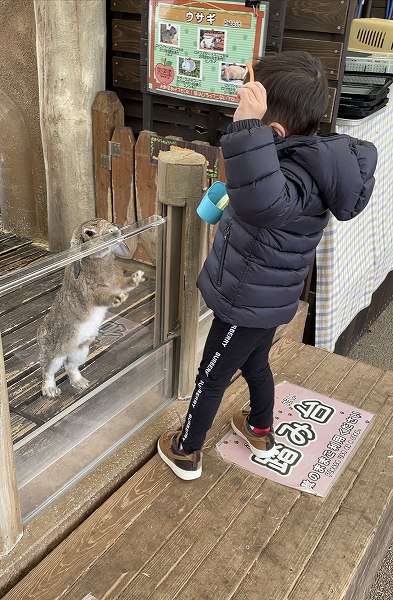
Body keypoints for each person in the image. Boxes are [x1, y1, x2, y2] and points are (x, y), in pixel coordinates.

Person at [157, 50, 378, 480]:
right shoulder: (299, 161)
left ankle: (187, 450)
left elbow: (262, 200)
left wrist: (243, 130)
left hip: (247, 302)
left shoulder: (293, 178)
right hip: (262, 298)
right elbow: (255, 195)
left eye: (252, 126)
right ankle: (260, 428)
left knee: (211, 375)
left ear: (274, 131)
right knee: (255, 364)